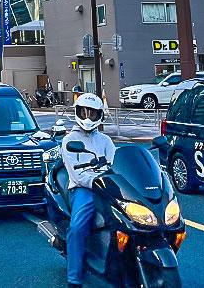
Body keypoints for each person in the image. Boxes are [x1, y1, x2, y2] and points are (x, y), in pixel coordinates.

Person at [61, 93, 116, 288]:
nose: (87, 117)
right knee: (77, 228)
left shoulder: (106, 141)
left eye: (92, 113)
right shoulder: (69, 140)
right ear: (77, 112)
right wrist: (99, 183)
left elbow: (115, 165)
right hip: (84, 190)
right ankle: (74, 280)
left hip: (108, 188)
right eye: (83, 112)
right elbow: (77, 177)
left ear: (99, 115)